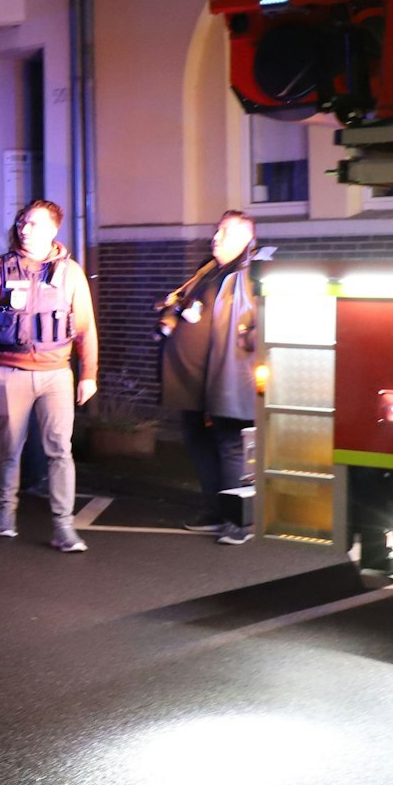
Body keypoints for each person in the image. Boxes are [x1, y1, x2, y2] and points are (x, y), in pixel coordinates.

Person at [0, 200, 99, 553]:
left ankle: (63, 528)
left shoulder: (70, 272)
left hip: (57, 374)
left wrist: (89, 374)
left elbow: (85, 328)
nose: (25, 229)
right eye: (22, 223)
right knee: (9, 448)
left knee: (60, 451)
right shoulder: (1, 267)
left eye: (34, 224)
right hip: (11, 371)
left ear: (53, 230)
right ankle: (5, 516)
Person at [159, 210, 259, 547]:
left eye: (226, 233)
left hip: (228, 378)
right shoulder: (209, 271)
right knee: (198, 441)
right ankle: (215, 509)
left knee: (231, 447)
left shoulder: (250, 274)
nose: (216, 238)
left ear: (247, 238)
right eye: (217, 231)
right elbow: (188, 305)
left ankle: (237, 520)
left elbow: (254, 327)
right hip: (193, 380)